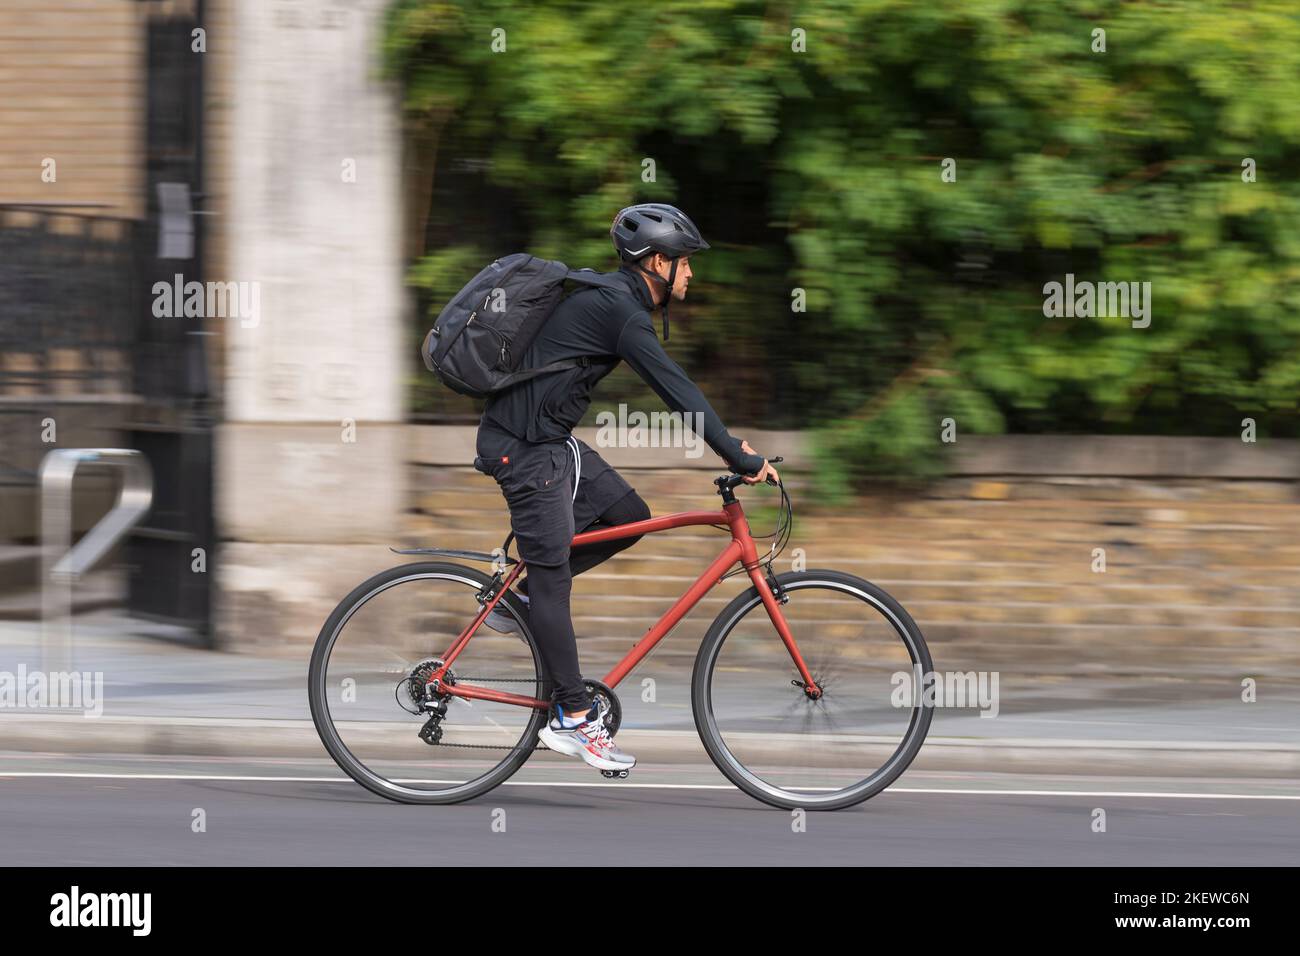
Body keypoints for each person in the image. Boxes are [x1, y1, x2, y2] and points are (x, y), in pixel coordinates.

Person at [473, 203, 780, 773]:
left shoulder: (618, 301)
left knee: (625, 513)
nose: (690, 274)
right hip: (523, 449)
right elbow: (677, 390)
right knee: (554, 582)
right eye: (684, 263)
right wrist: (739, 453)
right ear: (657, 261)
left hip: (548, 442)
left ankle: (520, 603)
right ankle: (571, 717)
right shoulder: (619, 309)